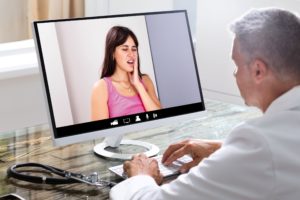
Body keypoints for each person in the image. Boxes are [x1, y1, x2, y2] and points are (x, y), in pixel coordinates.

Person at [110, 8, 300, 200]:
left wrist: (141, 175)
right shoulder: (272, 140)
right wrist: (225, 149)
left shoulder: (258, 143)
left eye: (237, 65)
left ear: (258, 71)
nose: (235, 74)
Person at [91, 26, 161, 120]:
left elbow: (161, 118)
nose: (131, 54)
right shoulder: (101, 88)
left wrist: (138, 85)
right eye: (125, 49)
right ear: (112, 53)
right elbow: (100, 133)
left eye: (134, 49)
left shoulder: (145, 80)